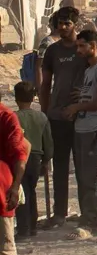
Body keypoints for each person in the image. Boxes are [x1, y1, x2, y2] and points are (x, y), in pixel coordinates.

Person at [35, 7, 84, 228]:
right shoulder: (53, 52)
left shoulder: (84, 47)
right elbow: (45, 85)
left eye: (67, 23)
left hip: (83, 117)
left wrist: (84, 97)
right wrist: (45, 115)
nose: (63, 27)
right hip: (57, 117)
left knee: (85, 166)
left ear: (76, 24)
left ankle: (91, 212)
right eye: (60, 24)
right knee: (60, 167)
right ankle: (59, 214)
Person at [67, 29, 97, 234]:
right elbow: (91, 95)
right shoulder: (89, 70)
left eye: (82, 46)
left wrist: (77, 108)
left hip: (94, 131)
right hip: (82, 129)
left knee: (92, 178)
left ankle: (95, 220)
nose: (78, 50)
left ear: (93, 46)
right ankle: (89, 215)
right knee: (84, 177)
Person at [0, 95, 28, 255]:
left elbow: (21, 152)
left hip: (1, 193)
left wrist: (15, 186)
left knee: (6, 245)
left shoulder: (7, 118)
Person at [12, 83, 48, 241]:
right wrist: (46, 160)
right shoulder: (41, 117)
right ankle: (32, 227)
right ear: (33, 98)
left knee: (21, 192)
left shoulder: (14, 117)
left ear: (16, 99)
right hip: (37, 158)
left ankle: (23, 229)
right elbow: (48, 141)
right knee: (31, 192)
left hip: (21, 158)